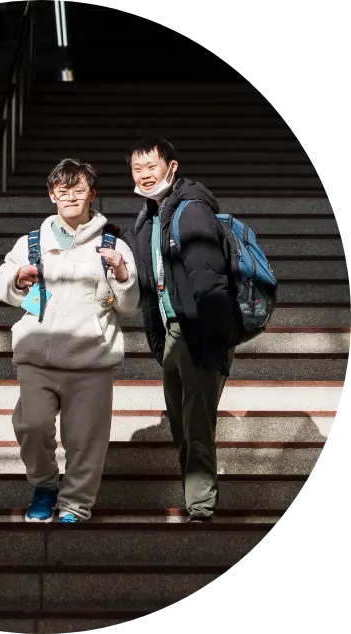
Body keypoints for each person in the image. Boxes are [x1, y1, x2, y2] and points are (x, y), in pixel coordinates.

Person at [0, 158, 140, 523]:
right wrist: (17, 279)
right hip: (37, 354)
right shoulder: (31, 242)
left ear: (92, 194)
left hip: (92, 356)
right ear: (52, 195)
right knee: (30, 426)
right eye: (63, 190)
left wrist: (122, 274)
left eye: (79, 190)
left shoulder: (114, 243)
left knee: (86, 439)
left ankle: (75, 504)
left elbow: (129, 305)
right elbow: (5, 288)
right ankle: (45, 486)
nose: (71, 196)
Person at [122, 136, 241, 523]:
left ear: (171, 167)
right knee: (181, 423)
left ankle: (201, 508)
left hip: (199, 330)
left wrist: (215, 342)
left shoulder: (191, 211)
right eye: (137, 169)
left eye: (151, 167)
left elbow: (209, 281)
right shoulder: (149, 217)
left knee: (196, 422)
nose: (144, 175)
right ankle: (198, 500)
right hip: (173, 332)